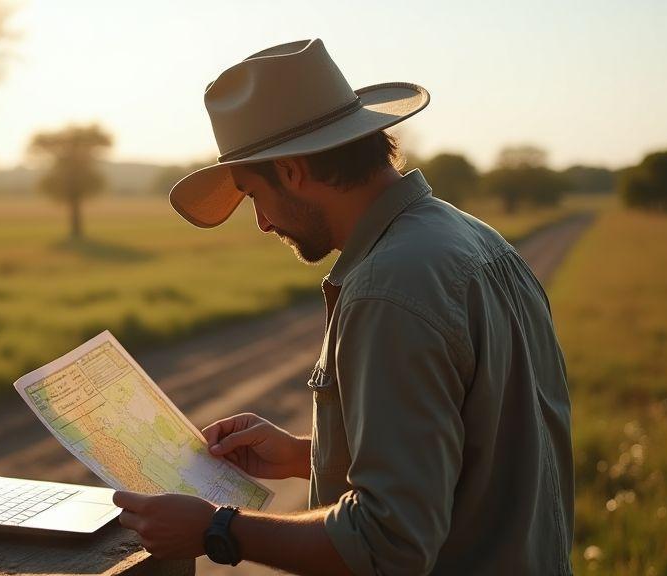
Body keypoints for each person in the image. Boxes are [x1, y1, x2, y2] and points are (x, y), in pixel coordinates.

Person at [111, 39, 574, 575]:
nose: (261, 222)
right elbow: (473, 453)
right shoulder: (471, 239)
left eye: (253, 193)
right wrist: (303, 454)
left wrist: (216, 527)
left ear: (291, 170)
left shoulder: (389, 287)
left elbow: (387, 544)